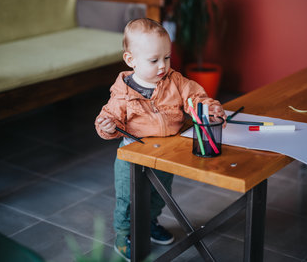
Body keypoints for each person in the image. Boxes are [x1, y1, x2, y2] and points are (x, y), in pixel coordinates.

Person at [95, 18, 226, 261]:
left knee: (160, 192)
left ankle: (151, 221)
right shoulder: (123, 93)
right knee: (128, 198)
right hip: (133, 155)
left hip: (165, 152)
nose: (162, 65)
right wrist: (106, 126)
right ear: (130, 60)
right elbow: (109, 119)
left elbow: (195, 97)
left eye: (167, 57)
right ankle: (124, 235)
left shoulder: (175, 82)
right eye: (154, 60)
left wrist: (208, 108)